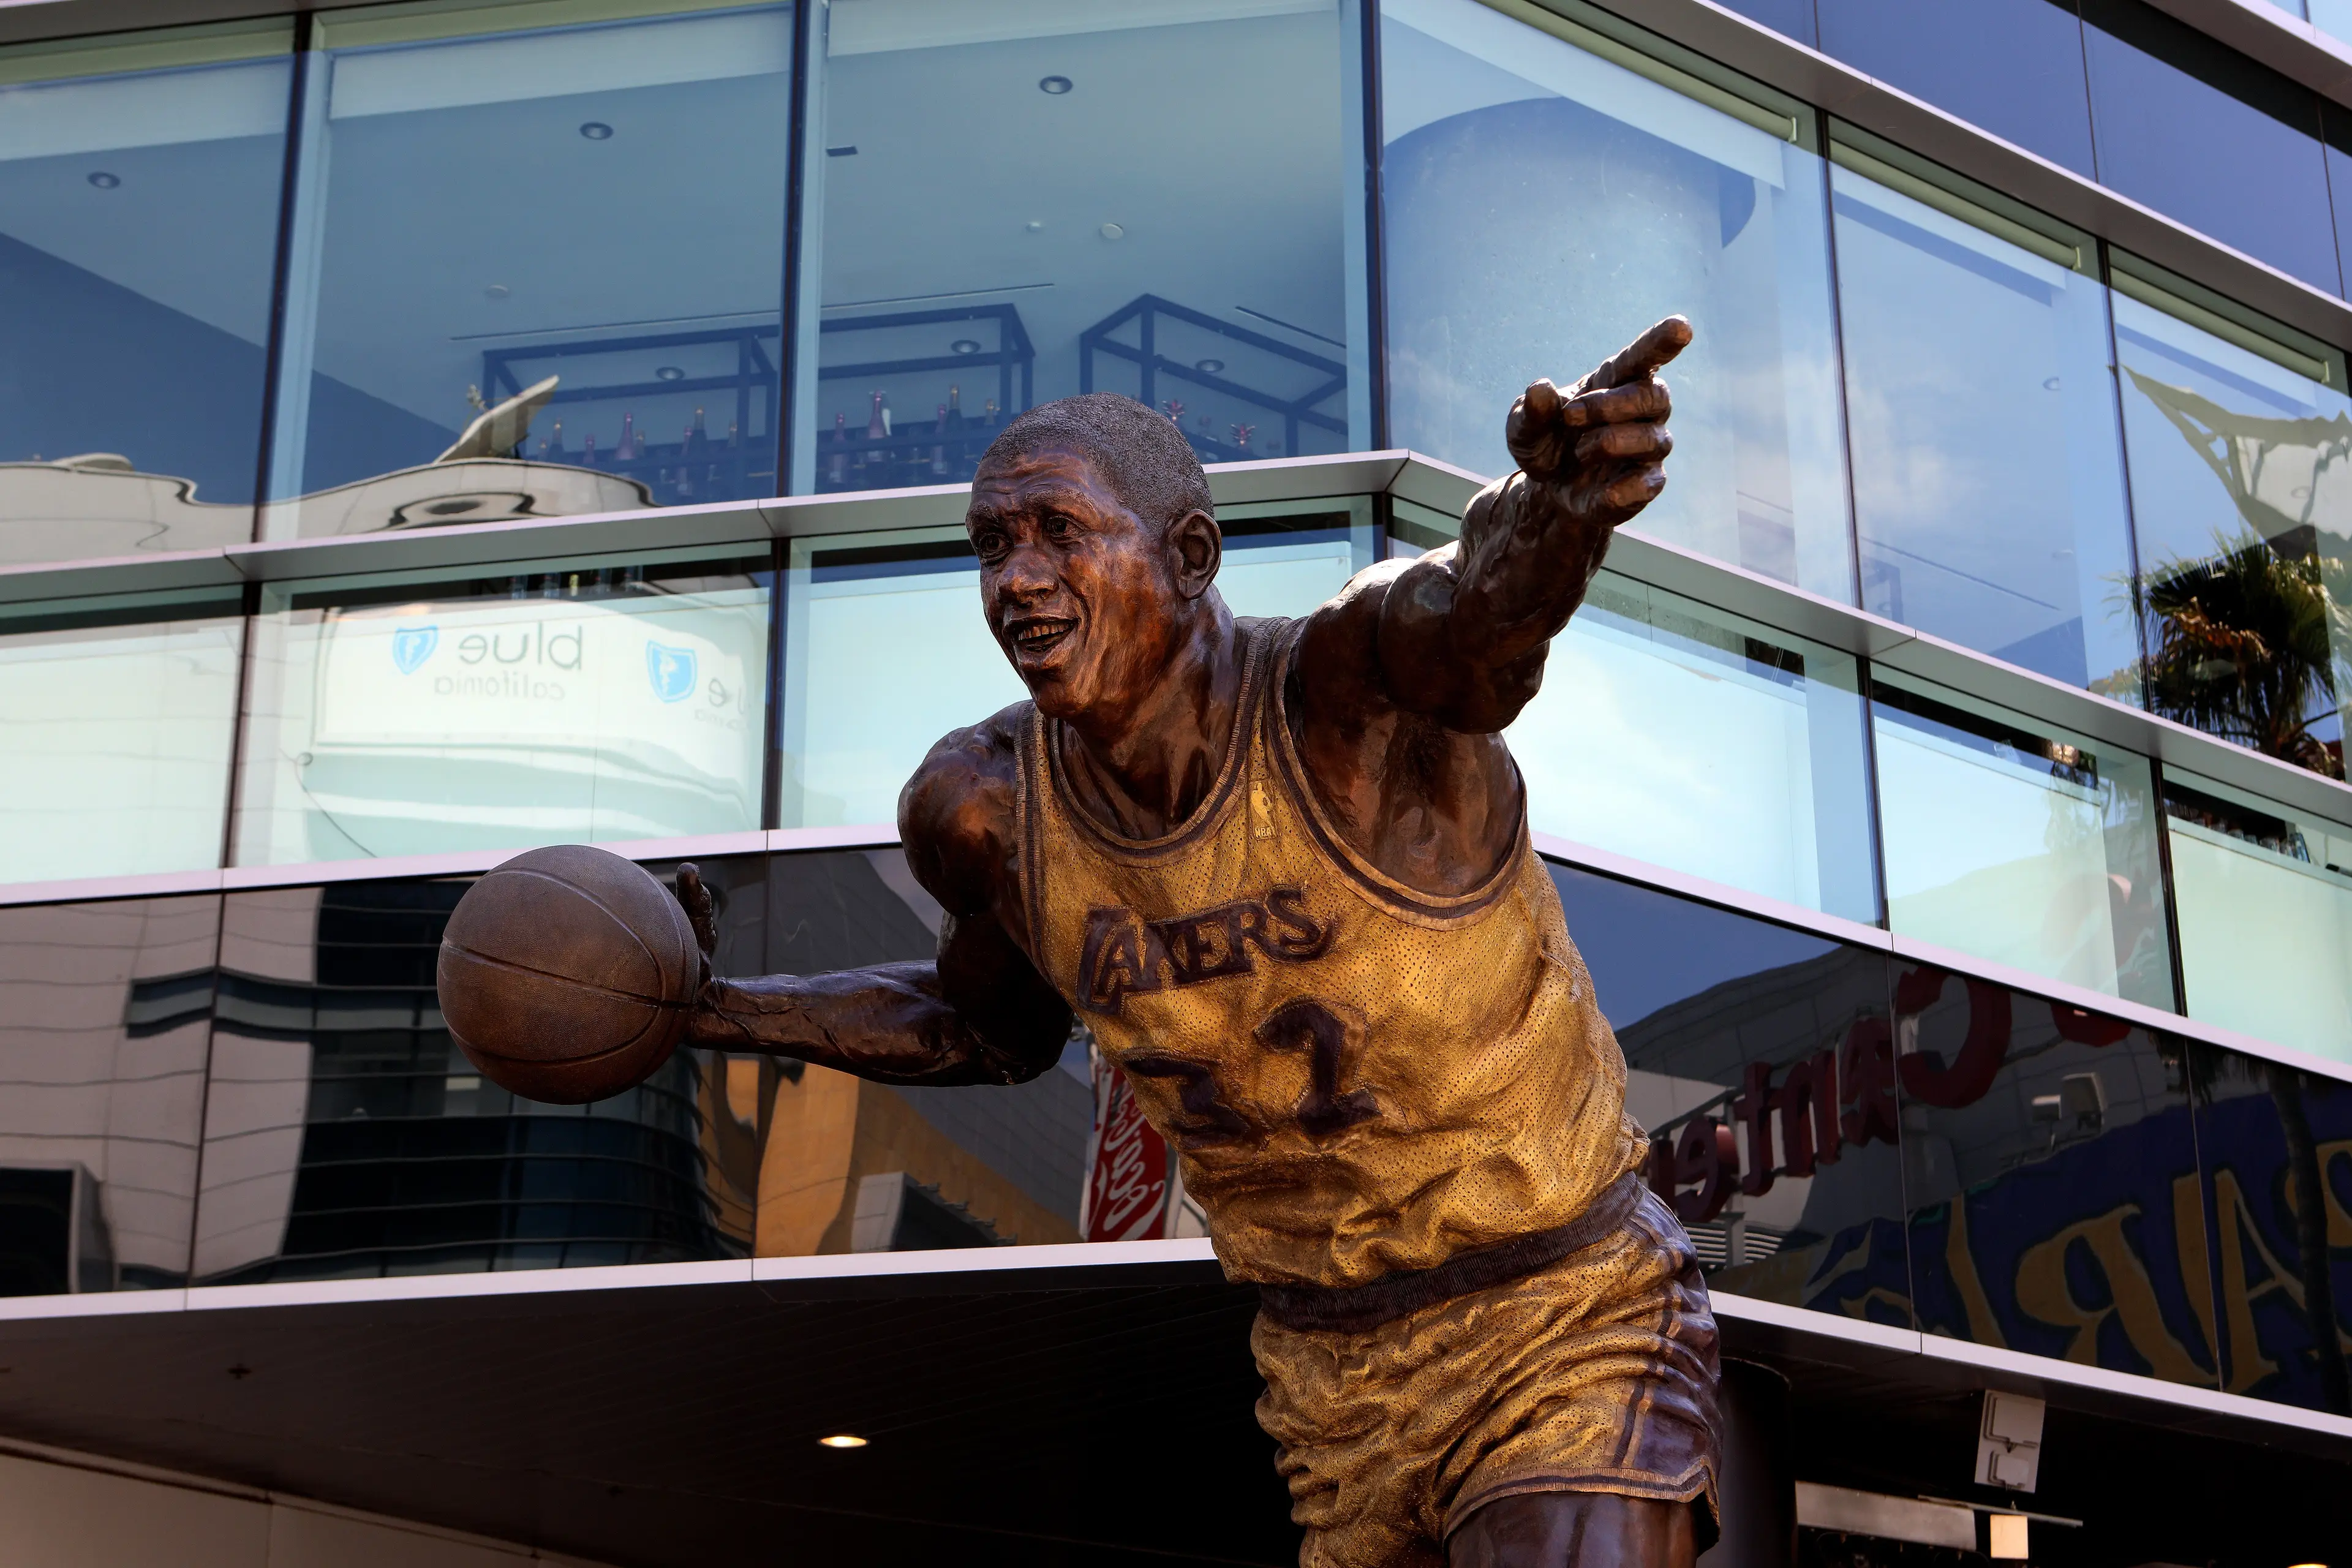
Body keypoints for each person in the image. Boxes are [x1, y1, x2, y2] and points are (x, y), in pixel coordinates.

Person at [677, 318, 1717, 1567]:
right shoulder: (986, 808)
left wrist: (1557, 511)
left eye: (1062, 532)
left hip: (1560, 1303)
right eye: (993, 544)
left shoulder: (1343, 694)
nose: (1016, 578)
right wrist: (711, 1005)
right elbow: (983, 1027)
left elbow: (1476, 615)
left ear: (1189, 555)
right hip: (1331, 1369)